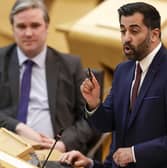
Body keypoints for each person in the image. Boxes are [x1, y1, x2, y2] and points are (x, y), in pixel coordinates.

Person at [59, 2, 167, 168]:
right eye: (123, 31)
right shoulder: (123, 70)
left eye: (134, 31)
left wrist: (134, 153)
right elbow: (106, 124)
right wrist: (94, 103)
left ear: (154, 35)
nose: (126, 38)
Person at [0, 0, 99, 154]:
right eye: (21, 26)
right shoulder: (1, 60)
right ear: (12, 28)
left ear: (46, 27)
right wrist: (17, 127)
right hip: (6, 151)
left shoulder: (71, 66)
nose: (28, 33)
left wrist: (63, 144)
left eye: (35, 25)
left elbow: (91, 118)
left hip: (55, 156)